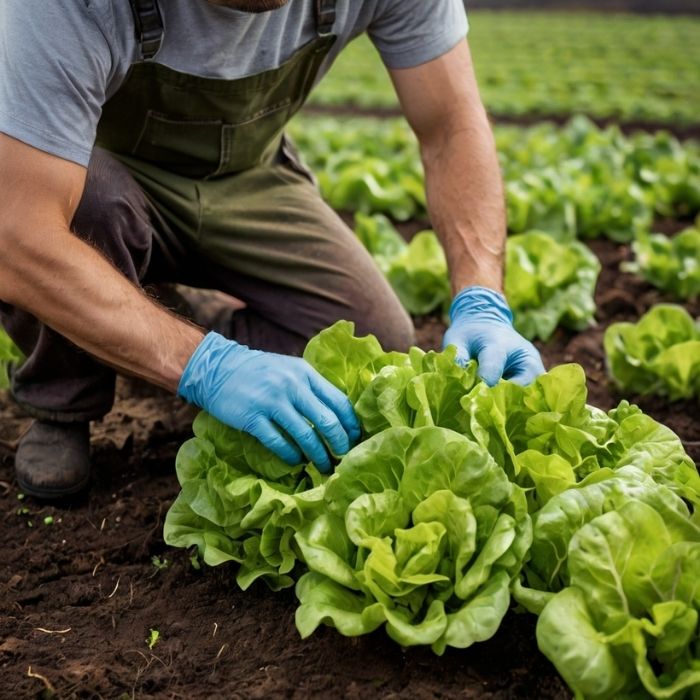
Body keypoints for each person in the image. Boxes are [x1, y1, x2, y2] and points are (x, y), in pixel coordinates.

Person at [0, 0, 544, 500]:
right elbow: (19, 236)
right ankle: (62, 402)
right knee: (83, 211)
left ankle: (177, 317)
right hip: (88, 169)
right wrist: (205, 367)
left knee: (367, 343)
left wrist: (481, 299)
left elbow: (451, 126)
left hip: (249, 173)